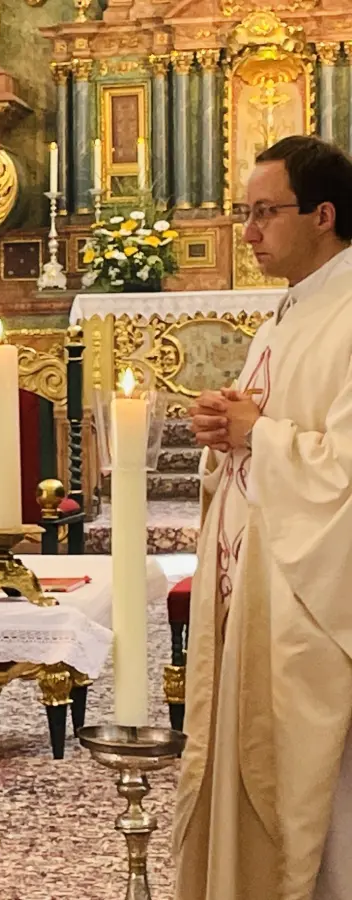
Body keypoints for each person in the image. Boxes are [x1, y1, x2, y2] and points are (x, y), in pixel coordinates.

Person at [174, 134, 352, 900]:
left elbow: (342, 469)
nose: (246, 233)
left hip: (313, 603)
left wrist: (258, 435)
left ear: (323, 214)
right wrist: (227, 432)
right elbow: (260, 435)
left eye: (262, 213)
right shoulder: (286, 315)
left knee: (323, 804)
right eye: (244, 214)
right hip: (258, 587)